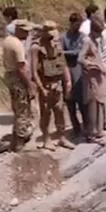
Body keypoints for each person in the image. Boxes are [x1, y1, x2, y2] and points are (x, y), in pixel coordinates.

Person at [32, 20, 75, 151]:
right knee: (46, 113)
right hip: (45, 85)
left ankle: (62, 137)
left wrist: (68, 81)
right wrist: (41, 88)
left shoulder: (57, 45)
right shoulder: (36, 48)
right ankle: (46, 139)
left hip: (58, 84)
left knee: (60, 111)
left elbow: (63, 64)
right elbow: (34, 72)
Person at [3, 19, 37, 152]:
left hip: (9, 76)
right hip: (18, 79)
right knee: (23, 110)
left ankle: (15, 138)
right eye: (26, 32)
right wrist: (30, 86)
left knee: (17, 109)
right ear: (19, 30)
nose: (28, 35)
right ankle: (20, 142)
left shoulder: (7, 40)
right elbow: (21, 68)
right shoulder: (17, 45)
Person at [81, 18, 106, 142]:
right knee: (92, 103)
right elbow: (81, 58)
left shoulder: (96, 41)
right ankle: (91, 132)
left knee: (100, 102)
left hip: (98, 77)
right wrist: (93, 65)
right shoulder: (87, 41)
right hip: (92, 77)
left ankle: (99, 130)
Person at [62, 13, 88, 136]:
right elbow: (60, 52)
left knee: (83, 101)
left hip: (79, 69)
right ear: (71, 23)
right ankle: (76, 128)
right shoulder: (64, 37)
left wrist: (68, 53)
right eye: (76, 24)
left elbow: (82, 52)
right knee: (70, 101)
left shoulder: (82, 37)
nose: (78, 27)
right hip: (67, 70)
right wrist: (73, 53)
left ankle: (86, 126)